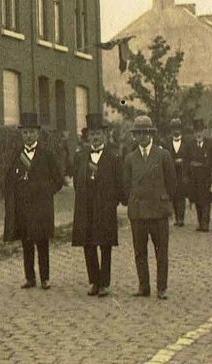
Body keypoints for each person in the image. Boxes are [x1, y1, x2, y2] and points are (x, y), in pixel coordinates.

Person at [3, 112, 64, 289]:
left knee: (42, 243)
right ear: (22, 135)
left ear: (37, 134)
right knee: (26, 244)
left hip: (41, 209)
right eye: (25, 133)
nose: (28, 136)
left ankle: (45, 278)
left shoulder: (47, 155)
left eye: (31, 132)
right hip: (23, 209)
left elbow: (59, 181)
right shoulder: (16, 156)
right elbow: (9, 180)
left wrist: (46, 193)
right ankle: (30, 278)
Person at [123, 115, 178, 299]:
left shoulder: (163, 155)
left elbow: (172, 183)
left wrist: (163, 200)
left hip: (158, 211)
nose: (142, 137)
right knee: (140, 252)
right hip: (138, 212)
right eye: (138, 133)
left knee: (161, 251)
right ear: (135, 136)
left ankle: (161, 287)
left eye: (145, 133)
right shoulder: (130, 158)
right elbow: (126, 185)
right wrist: (132, 202)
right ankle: (143, 286)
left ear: (151, 134)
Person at [71, 114, 124, 297]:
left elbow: (120, 182)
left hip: (105, 206)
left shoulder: (113, 157)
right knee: (88, 244)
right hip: (86, 207)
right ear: (88, 136)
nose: (95, 137)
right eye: (92, 134)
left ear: (104, 135)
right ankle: (94, 281)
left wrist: (114, 202)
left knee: (105, 244)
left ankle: (104, 283)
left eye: (99, 134)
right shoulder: (80, 156)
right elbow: (76, 179)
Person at [162, 118, 190, 227]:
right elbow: (165, 158)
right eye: (174, 128)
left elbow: (188, 158)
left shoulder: (186, 143)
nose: (176, 131)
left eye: (178, 128)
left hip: (182, 173)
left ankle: (181, 218)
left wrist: (184, 164)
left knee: (181, 196)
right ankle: (176, 217)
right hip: (171, 173)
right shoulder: (167, 143)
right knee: (173, 195)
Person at [187, 119, 212, 231]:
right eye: (197, 131)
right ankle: (200, 221)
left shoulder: (211, 145)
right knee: (197, 200)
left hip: (206, 178)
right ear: (194, 133)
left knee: (206, 201)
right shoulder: (190, 145)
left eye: (201, 131)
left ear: (204, 131)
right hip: (194, 178)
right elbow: (187, 161)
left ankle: (205, 222)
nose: (199, 134)